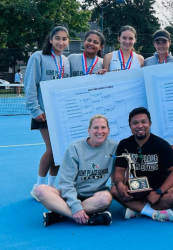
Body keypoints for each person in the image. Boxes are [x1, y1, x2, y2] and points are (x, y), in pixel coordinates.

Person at [35, 115, 118, 226]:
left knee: (106, 198)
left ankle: (61, 213)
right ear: (89, 130)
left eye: (103, 128)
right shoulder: (75, 149)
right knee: (40, 190)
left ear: (108, 130)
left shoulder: (115, 147)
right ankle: (85, 218)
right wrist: (75, 207)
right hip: (71, 195)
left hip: (95, 197)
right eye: (95, 128)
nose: (100, 131)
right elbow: (66, 183)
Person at [111, 107, 173, 222]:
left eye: (144, 122)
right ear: (130, 126)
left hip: (161, 187)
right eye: (135, 123)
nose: (140, 126)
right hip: (138, 187)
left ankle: (136, 208)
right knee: (115, 190)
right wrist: (120, 183)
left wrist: (158, 192)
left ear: (150, 123)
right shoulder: (124, 144)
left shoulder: (161, 144)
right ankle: (153, 212)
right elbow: (119, 170)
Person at [25, 26, 71, 202]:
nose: (61, 42)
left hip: (60, 114)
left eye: (64, 39)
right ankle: (38, 187)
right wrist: (35, 109)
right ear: (50, 39)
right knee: (52, 150)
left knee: (60, 152)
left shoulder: (65, 61)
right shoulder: (38, 57)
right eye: (57, 38)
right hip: (43, 114)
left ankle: (51, 187)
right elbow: (30, 84)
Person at [144, 29, 173, 152]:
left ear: (169, 42)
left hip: (170, 106)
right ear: (154, 44)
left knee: (170, 141)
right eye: (158, 42)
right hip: (152, 105)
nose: (161, 45)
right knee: (152, 139)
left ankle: (170, 167)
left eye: (164, 42)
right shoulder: (147, 62)